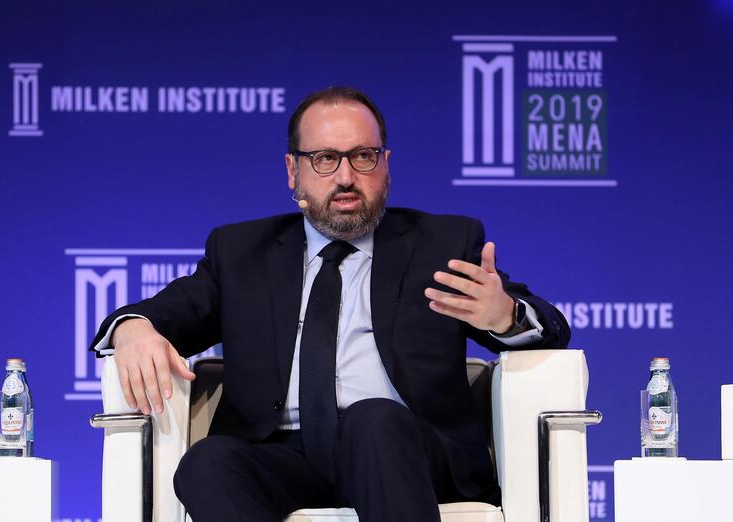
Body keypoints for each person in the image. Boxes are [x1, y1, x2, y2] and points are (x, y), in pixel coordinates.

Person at [91, 86, 570, 522]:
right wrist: (133, 328)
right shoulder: (241, 253)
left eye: (363, 156)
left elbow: (550, 327)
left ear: (385, 166)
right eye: (324, 158)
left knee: (372, 419)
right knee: (207, 462)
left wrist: (504, 315)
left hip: (405, 452)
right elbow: (165, 312)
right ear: (292, 171)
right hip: (285, 456)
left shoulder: (441, 242)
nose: (345, 176)